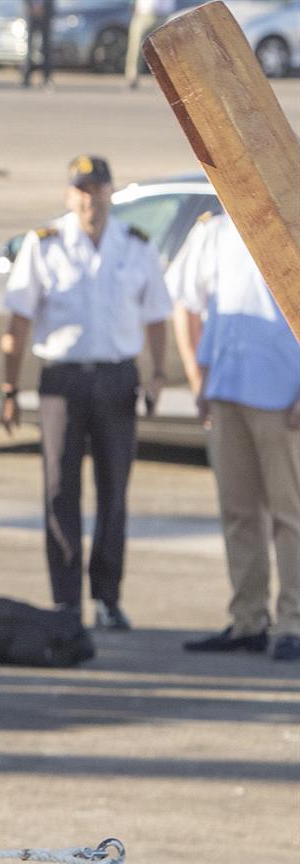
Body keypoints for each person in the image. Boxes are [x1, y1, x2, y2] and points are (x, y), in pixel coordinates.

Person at [1, 155, 170, 630]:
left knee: (114, 490)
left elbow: (157, 315)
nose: (88, 198)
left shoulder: (134, 246)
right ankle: (65, 599)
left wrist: (157, 376)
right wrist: (9, 385)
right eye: (80, 189)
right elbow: (18, 319)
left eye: (96, 188)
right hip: (62, 380)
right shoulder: (45, 244)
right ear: (68, 195)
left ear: (110, 192)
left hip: (117, 379)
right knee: (59, 489)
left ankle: (108, 597)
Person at [167, 210, 300, 662]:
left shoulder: (293, 223)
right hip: (226, 389)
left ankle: (294, 623)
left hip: (282, 394)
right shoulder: (215, 230)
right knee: (239, 514)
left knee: (290, 516)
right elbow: (184, 301)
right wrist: (196, 376)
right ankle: (249, 620)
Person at [126, 0, 166, 88]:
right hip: (145, 13)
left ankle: (167, 80)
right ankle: (132, 76)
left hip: (162, 13)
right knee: (136, 47)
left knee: (164, 50)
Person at [22, 0, 53, 87]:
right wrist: (32, 7)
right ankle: (26, 77)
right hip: (30, 13)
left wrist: (43, 7)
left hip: (46, 12)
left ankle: (46, 78)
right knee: (29, 47)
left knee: (46, 47)